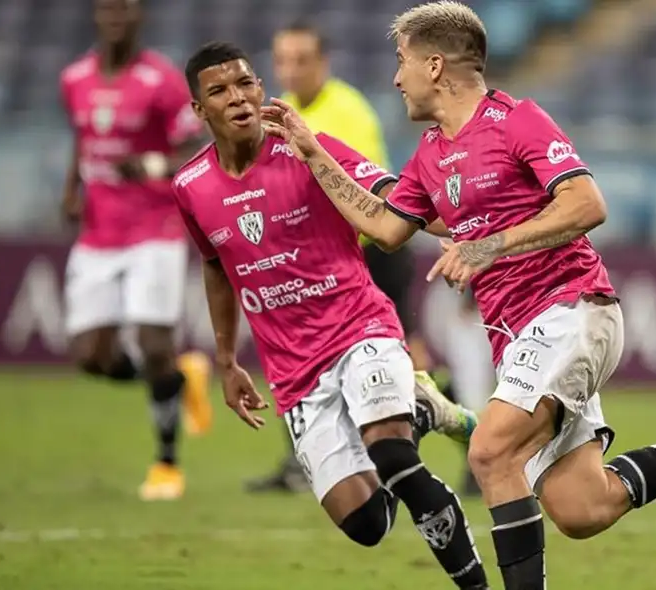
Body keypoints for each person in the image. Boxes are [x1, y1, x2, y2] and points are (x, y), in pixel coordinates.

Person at [261, 2, 656, 587]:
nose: (396, 77)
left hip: (572, 308)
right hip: (517, 335)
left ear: (435, 66)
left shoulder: (517, 121)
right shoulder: (431, 154)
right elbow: (386, 228)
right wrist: (315, 154)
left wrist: (490, 246)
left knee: (489, 451)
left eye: (402, 61)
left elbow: (587, 204)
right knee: (582, 507)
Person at [173, 41, 489, 589]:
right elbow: (215, 264)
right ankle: (421, 411)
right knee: (366, 524)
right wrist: (225, 359)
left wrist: (480, 229)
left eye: (245, 84)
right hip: (295, 368)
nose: (238, 98)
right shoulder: (191, 187)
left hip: (360, 328)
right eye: (219, 91)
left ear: (261, 89)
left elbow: (396, 199)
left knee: (393, 456)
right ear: (200, 110)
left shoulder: (308, 147)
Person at [245, 21, 445, 494]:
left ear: (323, 62)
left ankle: (452, 419)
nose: (291, 70)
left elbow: (369, 196)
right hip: (314, 261)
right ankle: (301, 461)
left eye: (301, 60)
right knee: (301, 352)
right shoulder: (282, 111)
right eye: (283, 60)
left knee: (408, 357)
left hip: (371, 255)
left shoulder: (348, 111)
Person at [59, 0, 212, 501]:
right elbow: (83, 138)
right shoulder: (74, 78)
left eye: (124, 8)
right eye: (108, 8)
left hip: (154, 226)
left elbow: (193, 148)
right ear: (96, 15)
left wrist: (149, 164)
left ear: (139, 16)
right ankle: (180, 378)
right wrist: (71, 189)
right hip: (97, 232)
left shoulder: (162, 81)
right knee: (91, 357)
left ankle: (166, 464)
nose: (115, 17)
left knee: (152, 341)